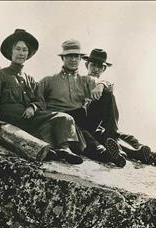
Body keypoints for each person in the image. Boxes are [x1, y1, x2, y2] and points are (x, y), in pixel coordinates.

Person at [0, 29, 84, 164]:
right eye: (18, 49)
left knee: (64, 118)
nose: (21, 53)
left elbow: (40, 101)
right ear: (11, 52)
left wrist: (32, 107)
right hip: (11, 120)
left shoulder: (30, 79)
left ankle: (64, 149)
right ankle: (54, 150)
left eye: (24, 50)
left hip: (30, 121)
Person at [83, 48, 156, 167]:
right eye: (93, 65)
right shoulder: (79, 81)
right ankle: (124, 145)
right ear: (87, 65)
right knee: (108, 99)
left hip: (99, 129)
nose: (96, 69)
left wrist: (102, 84)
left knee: (124, 136)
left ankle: (149, 155)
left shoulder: (103, 84)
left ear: (104, 69)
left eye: (100, 67)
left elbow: (108, 84)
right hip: (83, 126)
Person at [38, 39, 127, 167]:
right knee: (85, 136)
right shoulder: (49, 80)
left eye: (76, 56)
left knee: (107, 95)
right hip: (62, 122)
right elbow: (38, 102)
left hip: (82, 119)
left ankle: (112, 139)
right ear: (62, 58)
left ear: (80, 59)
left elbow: (106, 84)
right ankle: (106, 154)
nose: (73, 59)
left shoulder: (84, 80)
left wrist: (101, 84)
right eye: (69, 56)